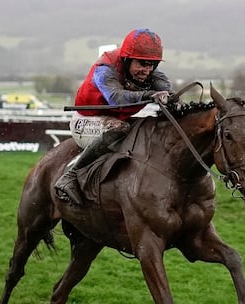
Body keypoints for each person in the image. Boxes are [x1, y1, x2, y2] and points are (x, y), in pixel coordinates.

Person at [54, 28, 173, 205]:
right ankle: (70, 175)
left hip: (114, 121)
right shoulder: (105, 69)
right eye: (141, 63)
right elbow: (116, 98)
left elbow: (168, 93)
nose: (146, 70)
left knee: (147, 125)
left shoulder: (151, 72)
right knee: (120, 128)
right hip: (85, 121)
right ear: (126, 59)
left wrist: (171, 99)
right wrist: (150, 95)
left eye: (151, 65)